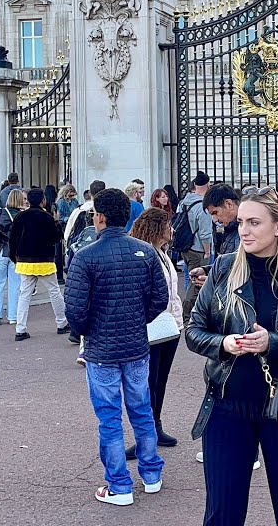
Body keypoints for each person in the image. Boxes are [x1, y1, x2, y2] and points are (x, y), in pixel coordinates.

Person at [185, 185, 278, 526]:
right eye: (241, 222)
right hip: (227, 403)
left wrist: (272, 343)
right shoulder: (223, 268)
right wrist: (224, 343)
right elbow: (193, 331)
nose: (244, 231)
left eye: (254, 223)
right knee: (222, 512)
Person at [65, 188, 168, 507]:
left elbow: (75, 310)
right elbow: (159, 298)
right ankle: (151, 474)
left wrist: (87, 331)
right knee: (142, 409)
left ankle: (120, 485)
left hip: (102, 349)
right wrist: (139, 319)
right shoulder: (145, 251)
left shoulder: (86, 256)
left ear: (99, 216)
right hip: (136, 344)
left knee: (109, 417)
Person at [123, 208, 182, 457]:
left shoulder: (162, 253)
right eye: (168, 225)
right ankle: (144, 434)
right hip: (151, 326)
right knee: (148, 383)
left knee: (160, 381)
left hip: (171, 324)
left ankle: (155, 426)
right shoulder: (143, 255)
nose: (172, 229)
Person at [8, 188, 68, 341]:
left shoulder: (20, 217)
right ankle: (62, 323)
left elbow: (12, 239)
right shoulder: (47, 217)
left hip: (25, 261)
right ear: (43, 201)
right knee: (54, 292)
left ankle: (20, 329)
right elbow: (56, 238)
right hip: (44, 261)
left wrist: (15, 258)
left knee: (24, 295)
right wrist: (57, 222)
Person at [176, 172, 216, 323]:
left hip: (185, 246)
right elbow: (205, 233)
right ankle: (188, 314)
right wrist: (207, 251)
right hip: (199, 248)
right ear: (207, 185)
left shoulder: (184, 202)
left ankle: (191, 311)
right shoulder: (202, 204)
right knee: (197, 282)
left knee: (189, 278)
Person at [0, 188, 25, 326]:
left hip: (1, 251)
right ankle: (13, 316)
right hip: (16, 253)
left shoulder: (0, 213)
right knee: (15, 285)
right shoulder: (23, 215)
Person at [203, 183, 241, 255]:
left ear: (229, 204)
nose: (215, 220)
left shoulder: (244, 232)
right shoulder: (231, 229)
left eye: (215, 212)